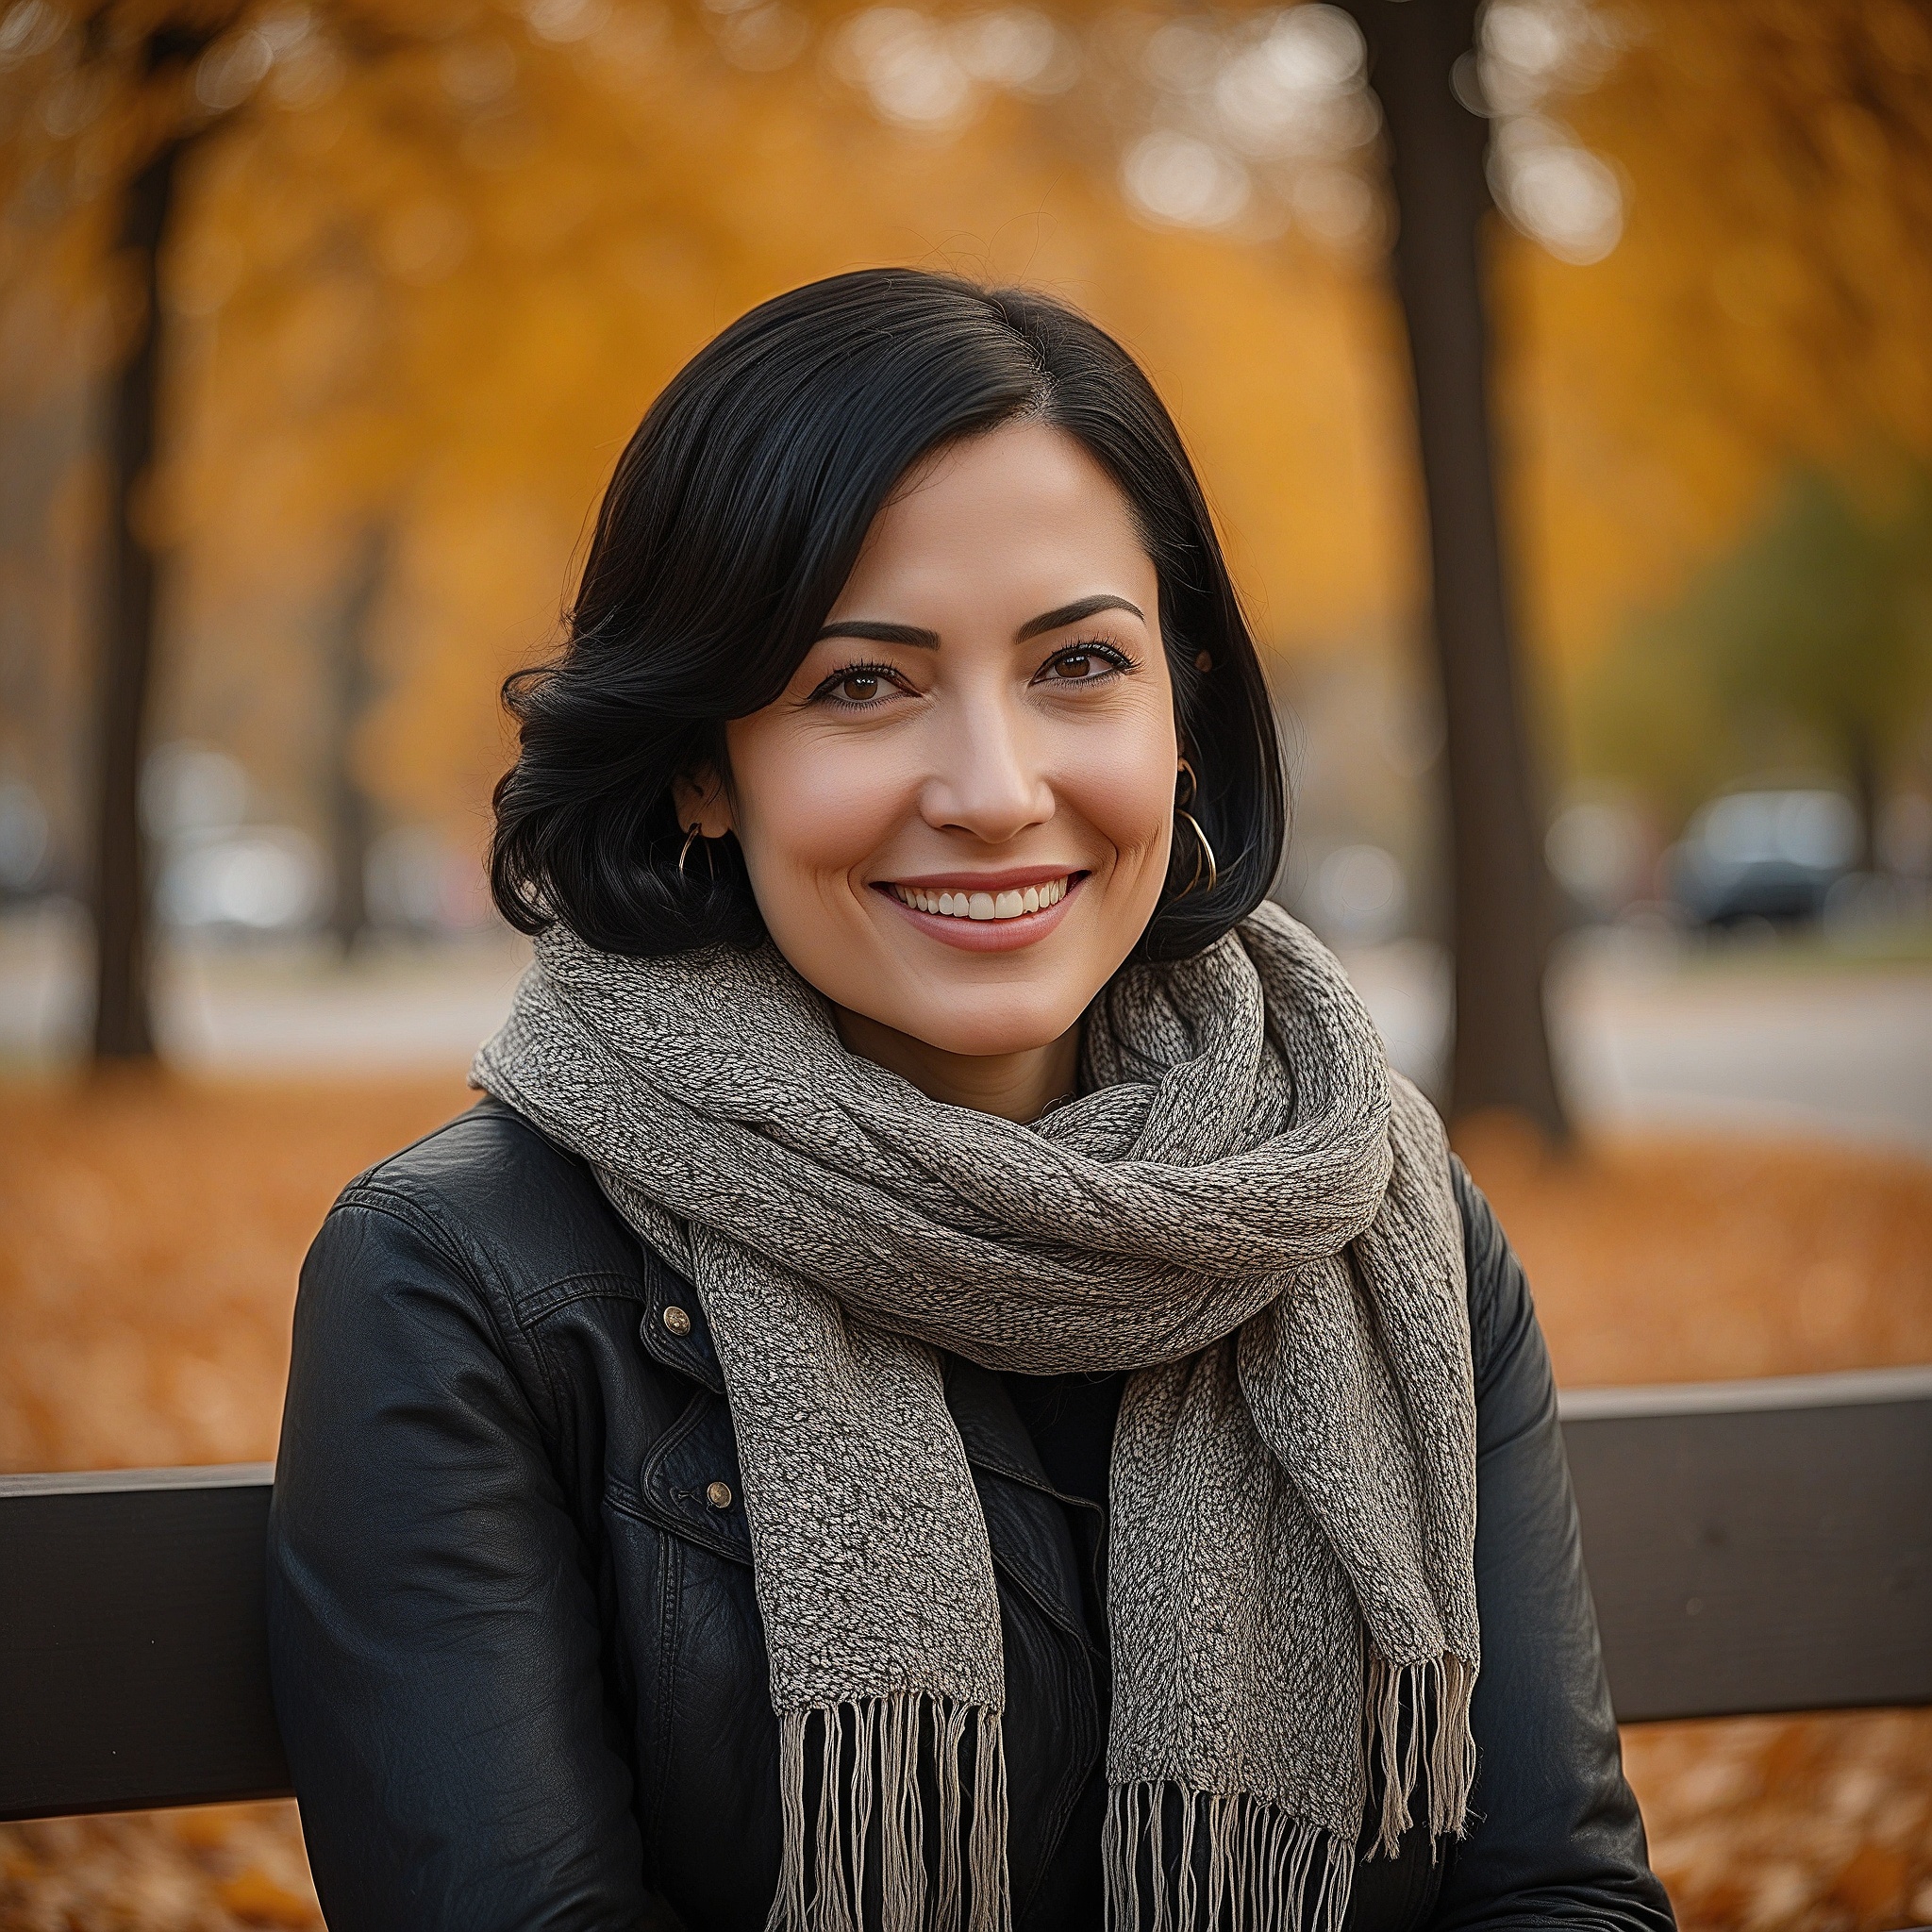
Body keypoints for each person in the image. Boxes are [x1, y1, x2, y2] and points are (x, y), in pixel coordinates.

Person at [266, 269, 1674, 1932]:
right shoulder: (464, 1282)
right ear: (704, 763)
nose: (999, 794)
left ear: (1183, 711)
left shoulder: (1381, 1219)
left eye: (1081, 664)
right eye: (863, 683)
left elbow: (1561, 1893)